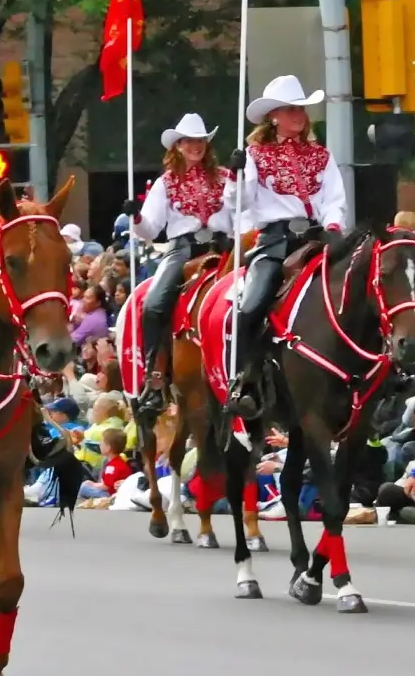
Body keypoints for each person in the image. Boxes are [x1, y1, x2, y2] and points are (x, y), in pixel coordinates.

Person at [224, 75, 346, 419]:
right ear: (274, 115)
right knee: (251, 305)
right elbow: (240, 201)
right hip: (275, 240)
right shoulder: (254, 154)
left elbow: (335, 198)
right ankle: (246, 379)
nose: (300, 116)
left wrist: (334, 225)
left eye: (302, 110)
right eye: (292, 109)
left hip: (318, 235)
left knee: (357, 284)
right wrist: (236, 174)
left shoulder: (321, 155)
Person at [122, 113, 233, 416]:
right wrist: (136, 218)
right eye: (189, 141)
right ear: (178, 145)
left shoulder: (226, 177)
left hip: (223, 247)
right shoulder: (165, 183)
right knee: (154, 305)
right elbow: (150, 229)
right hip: (183, 250)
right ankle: (155, 377)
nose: (196, 145)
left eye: (201, 140)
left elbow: (241, 212)